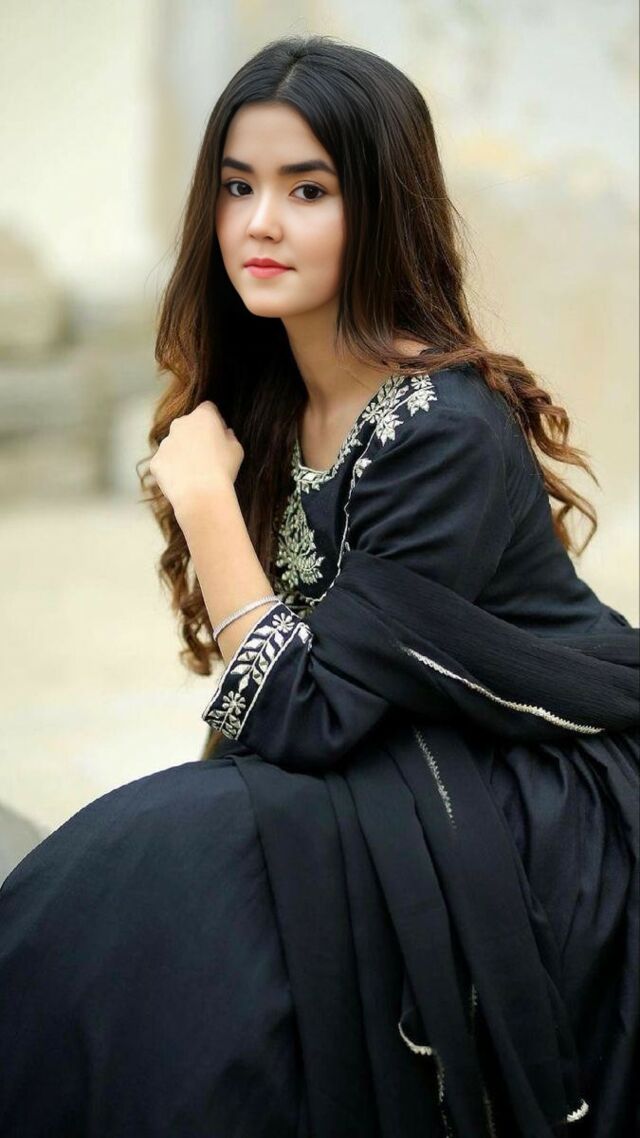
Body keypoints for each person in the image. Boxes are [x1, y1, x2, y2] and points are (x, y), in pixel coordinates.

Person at [0, 34, 637, 1138]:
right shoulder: (269, 399)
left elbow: (306, 711)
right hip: (377, 756)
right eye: (237, 186)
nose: (260, 222)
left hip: (523, 792)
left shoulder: (441, 429)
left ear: (381, 208)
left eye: (308, 190)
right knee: (151, 874)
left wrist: (207, 504)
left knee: (173, 862)